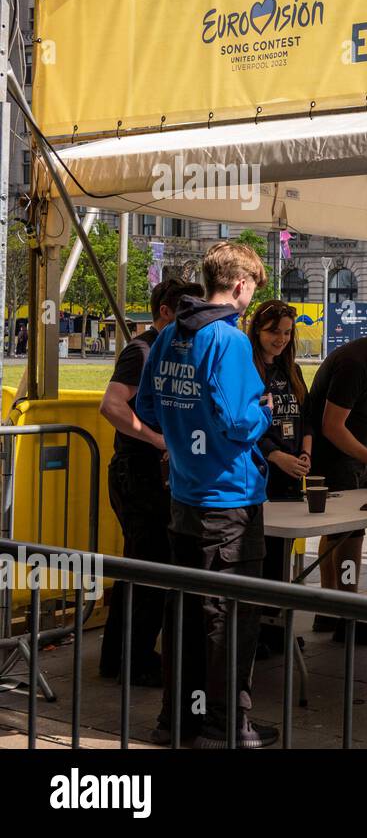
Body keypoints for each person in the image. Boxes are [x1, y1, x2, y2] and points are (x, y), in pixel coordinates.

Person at [135, 242, 278, 749]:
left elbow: (147, 408)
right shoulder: (230, 339)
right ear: (241, 285)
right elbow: (240, 420)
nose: (251, 296)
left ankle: (178, 719)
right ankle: (227, 723)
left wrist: (183, 434)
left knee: (187, 614)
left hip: (185, 497)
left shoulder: (171, 333)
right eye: (254, 288)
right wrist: (265, 412)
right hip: (229, 501)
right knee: (231, 618)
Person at [97, 278, 202, 686]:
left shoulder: (166, 349)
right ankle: (132, 659)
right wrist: (160, 439)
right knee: (148, 568)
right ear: (166, 311)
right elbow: (111, 404)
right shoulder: (143, 351)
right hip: (139, 474)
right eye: (188, 313)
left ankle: (124, 657)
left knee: (142, 568)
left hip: (150, 473)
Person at [306, 334, 367, 644]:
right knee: (349, 536)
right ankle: (349, 617)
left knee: (335, 534)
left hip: (349, 456)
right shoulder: (355, 364)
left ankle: (330, 609)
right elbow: (332, 426)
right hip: (331, 456)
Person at [248, 300, 313, 655]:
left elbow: (306, 418)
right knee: (259, 554)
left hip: (291, 473)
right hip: (262, 472)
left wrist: (304, 453)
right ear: (258, 330)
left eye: (287, 333)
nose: (281, 340)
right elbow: (246, 426)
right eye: (274, 332)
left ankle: (276, 627)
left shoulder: (293, 371)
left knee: (280, 558)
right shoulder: (247, 370)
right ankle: (257, 629)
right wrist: (277, 456)